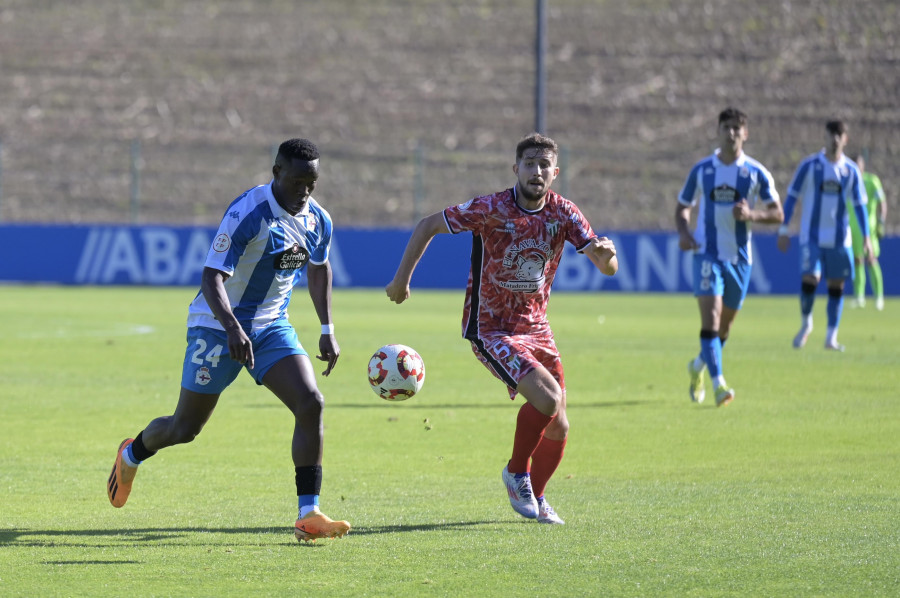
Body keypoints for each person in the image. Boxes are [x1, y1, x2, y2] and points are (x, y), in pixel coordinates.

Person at [107, 138, 351, 542]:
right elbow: (211, 278)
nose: (304, 191)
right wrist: (233, 328)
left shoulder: (318, 220)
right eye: (296, 181)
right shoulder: (248, 213)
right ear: (276, 173)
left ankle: (308, 514)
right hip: (216, 326)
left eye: (312, 182)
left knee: (311, 403)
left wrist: (327, 328)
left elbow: (319, 268)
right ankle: (132, 453)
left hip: (271, 326)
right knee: (185, 428)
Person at [385, 133, 618, 525]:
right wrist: (401, 280)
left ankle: (538, 498)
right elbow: (427, 225)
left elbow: (605, 265)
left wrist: (606, 257)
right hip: (491, 328)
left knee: (559, 424)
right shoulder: (490, 208)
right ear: (516, 169)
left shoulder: (564, 213)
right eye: (529, 164)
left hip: (537, 328)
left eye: (544, 166)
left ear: (555, 172)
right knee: (548, 400)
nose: (537, 172)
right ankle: (516, 472)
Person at [675, 107, 783, 407]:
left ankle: (697, 366)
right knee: (710, 320)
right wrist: (684, 232)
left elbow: (778, 213)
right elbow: (683, 206)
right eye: (726, 127)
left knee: (724, 328)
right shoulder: (702, 170)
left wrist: (752, 214)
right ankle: (719, 384)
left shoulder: (756, 172)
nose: (732, 132)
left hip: (740, 259)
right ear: (718, 131)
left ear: (745, 134)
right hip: (707, 255)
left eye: (737, 128)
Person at [777, 120, 873, 351]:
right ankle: (806, 322)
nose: (835, 139)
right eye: (831, 134)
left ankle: (831, 337)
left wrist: (867, 238)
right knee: (810, 279)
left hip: (840, 239)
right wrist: (783, 228)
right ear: (825, 136)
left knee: (836, 286)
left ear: (845, 139)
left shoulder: (851, 171)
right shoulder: (809, 166)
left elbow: (860, 206)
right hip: (811, 236)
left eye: (839, 135)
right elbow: (792, 197)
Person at [849, 153, 887, 311]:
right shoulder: (848, 182)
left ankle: (879, 297)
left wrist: (881, 222)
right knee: (857, 261)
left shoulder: (872, 181)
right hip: (852, 228)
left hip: (868, 228)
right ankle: (859, 297)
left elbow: (882, 202)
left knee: (871, 260)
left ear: (863, 165)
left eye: (859, 164)